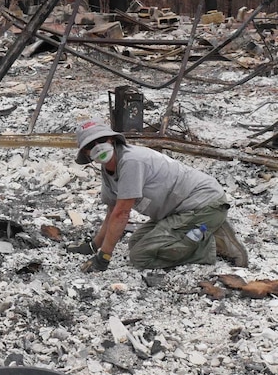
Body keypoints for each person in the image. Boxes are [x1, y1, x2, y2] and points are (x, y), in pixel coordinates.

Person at [68, 117, 249, 273]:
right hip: (177, 210)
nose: (98, 147)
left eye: (101, 140)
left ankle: (212, 243)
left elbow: (122, 213)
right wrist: (94, 246)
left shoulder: (131, 161)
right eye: (90, 146)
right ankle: (203, 229)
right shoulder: (108, 170)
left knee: (141, 256)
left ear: (112, 140)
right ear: (86, 153)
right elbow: (112, 211)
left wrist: (104, 257)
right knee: (135, 243)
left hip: (204, 204)